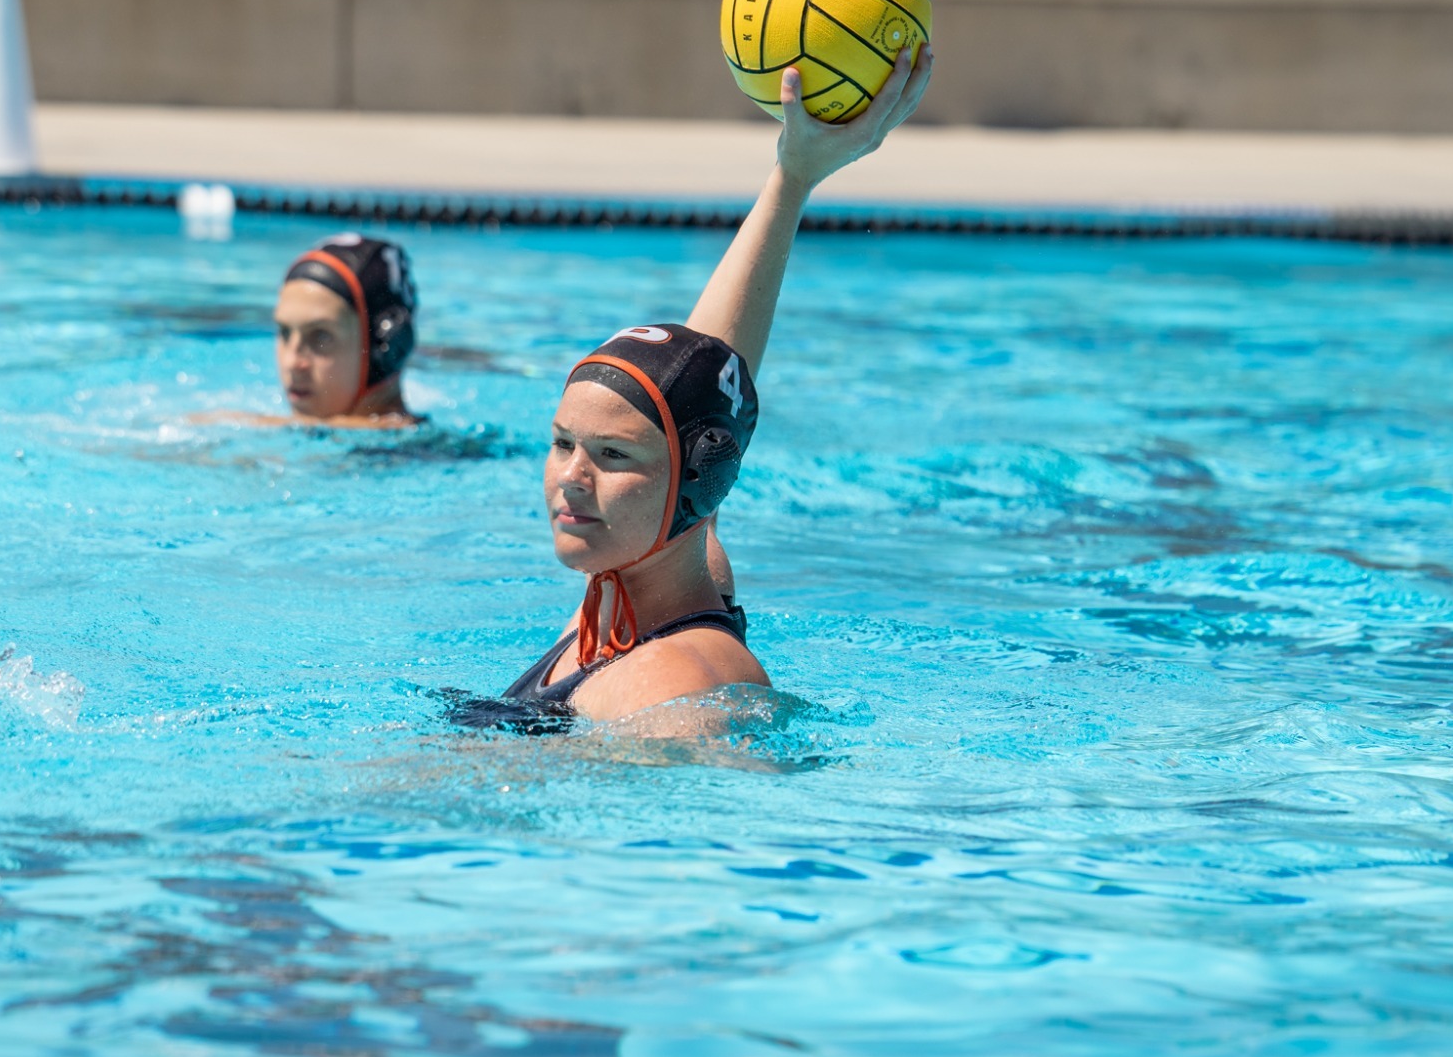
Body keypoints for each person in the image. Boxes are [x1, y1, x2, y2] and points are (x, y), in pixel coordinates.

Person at [499, 44, 935, 730]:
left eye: (612, 456)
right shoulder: (634, 589)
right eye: (562, 444)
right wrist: (793, 178)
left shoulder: (681, 692)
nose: (572, 478)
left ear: (692, 486)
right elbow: (703, 382)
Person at [192, 234, 421, 429]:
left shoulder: (419, 455)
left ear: (386, 350)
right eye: (284, 333)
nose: (293, 362)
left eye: (320, 337)